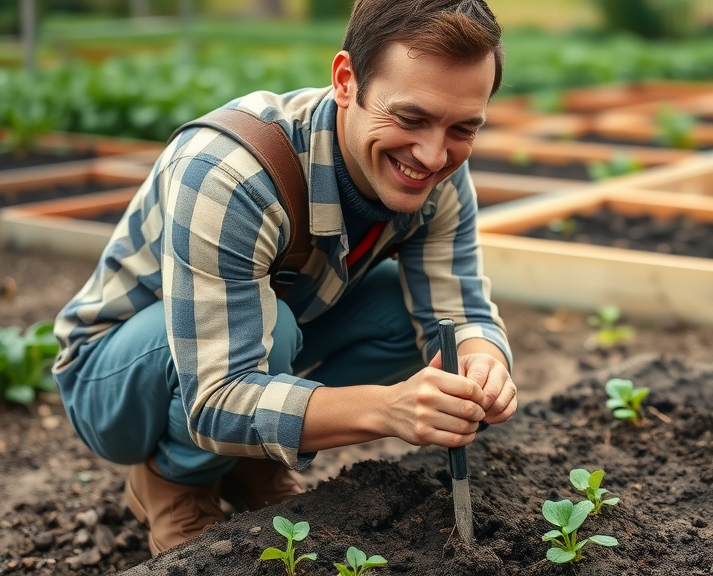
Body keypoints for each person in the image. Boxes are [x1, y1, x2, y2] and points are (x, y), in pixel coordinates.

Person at [51, 0, 517, 556]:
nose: (433, 154)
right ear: (346, 81)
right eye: (410, 118)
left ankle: (251, 460)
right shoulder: (229, 174)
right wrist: (389, 408)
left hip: (261, 338)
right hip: (120, 382)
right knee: (274, 328)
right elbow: (219, 394)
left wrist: (483, 360)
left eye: (463, 128)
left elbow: (461, 311)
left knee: (406, 316)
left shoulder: (437, 176)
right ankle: (175, 479)